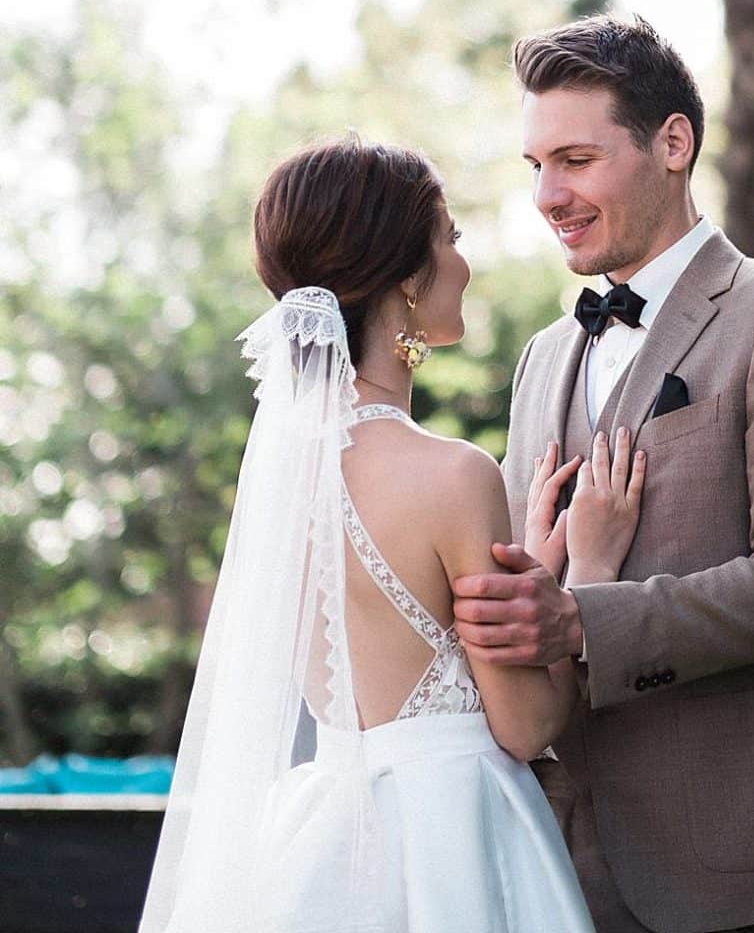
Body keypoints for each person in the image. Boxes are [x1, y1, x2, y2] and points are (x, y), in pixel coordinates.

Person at [140, 134, 643, 933]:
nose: (463, 263)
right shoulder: (451, 474)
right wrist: (590, 569)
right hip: (455, 841)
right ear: (409, 277)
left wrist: (533, 574)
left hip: (333, 841)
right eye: (452, 238)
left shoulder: (288, 478)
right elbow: (525, 724)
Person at [452, 16, 754, 933]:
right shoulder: (539, 357)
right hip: (547, 854)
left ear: (673, 142)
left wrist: (582, 617)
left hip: (722, 863)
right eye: (535, 167)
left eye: (576, 159)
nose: (548, 195)